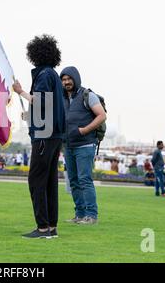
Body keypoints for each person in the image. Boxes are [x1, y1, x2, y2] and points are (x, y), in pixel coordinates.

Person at [12, 34, 65, 239]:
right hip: (55, 134)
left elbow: (42, 101)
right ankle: (51, 227)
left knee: (36, 181)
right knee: (50, 181)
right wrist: (29, 116)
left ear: (35, 54)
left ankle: (42, 228)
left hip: (44, 135)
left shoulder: (44, 75)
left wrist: (21, 92)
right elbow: (49, 105)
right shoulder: (53, 75)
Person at [60, 66, 107, 225]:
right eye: (64, 79)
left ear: (75, 78)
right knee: (73, 180)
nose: (66, 82)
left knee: (84, 179)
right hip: (69, 146)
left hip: (85, 145)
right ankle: (79, 214)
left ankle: (91, 215)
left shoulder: (88, 95)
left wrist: (84, 130)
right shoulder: (62, 98)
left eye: (69, 79)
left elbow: (101, 115)